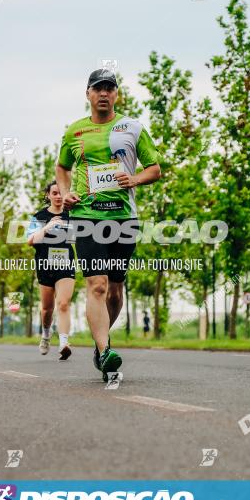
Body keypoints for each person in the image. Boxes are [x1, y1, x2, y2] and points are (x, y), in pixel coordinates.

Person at [56, 68, 162, 381]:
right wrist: (65, 193)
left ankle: (102, 340)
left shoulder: (132, 127)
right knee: (97, 284)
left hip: (123, 218)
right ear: (88, 94)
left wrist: (135, 178)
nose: (104, 93)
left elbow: (155, 168)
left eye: (109, 89)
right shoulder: (74, 131)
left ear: (116, 95)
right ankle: (104, 352)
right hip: (88, 217)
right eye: (98, 88)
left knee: (115, 289)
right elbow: (62, 168)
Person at [27, 180, 76, 360]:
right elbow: (30, 240)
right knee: (47, 309)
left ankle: (64, 343)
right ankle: (46, 334)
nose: (58, 196)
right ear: (48, 195)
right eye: (54, 193)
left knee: (63, 303)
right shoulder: (39, 216)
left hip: (66, 264)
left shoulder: (72, 215)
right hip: (45, 265)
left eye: (60, 193)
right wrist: (47, 228)